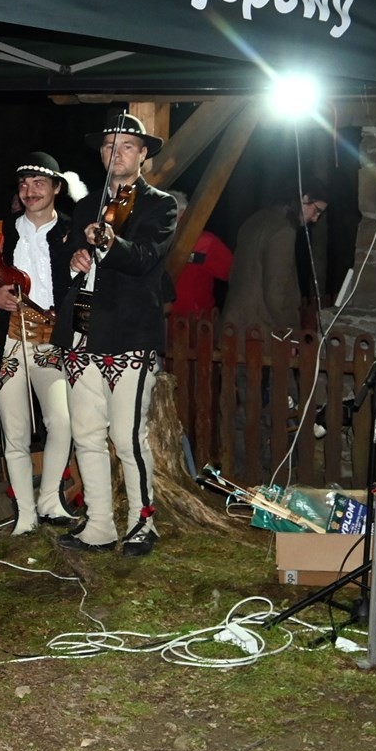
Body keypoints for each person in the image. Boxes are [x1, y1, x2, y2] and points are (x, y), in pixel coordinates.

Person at [58, 112, 179, 556]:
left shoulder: (161, 205)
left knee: (128, 437)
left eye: (127, 146)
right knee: (86, 434)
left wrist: (109, 242)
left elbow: (145, 258)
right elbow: (73, 259)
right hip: (83, 331)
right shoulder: (87, 205)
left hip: (130, 334)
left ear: (143, 154)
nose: (117, 153)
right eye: (110, 146)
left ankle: (143, 524)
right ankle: (99, 524)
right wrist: (75, 260)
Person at [0, 153, 86, 535]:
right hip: (7, 342)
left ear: (56, 188)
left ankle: (50, 501)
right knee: (14, 432)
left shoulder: (74, 231)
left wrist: (81, 333)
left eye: (39, 183)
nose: (30, 191)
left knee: (62, 421)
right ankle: (25, 514)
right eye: (23, 184)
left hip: (52, 342)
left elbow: (87, 290)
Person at [223, 192, 325, 338]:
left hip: (233, 325)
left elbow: (233, 274)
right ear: (305, 198)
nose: (315, 218)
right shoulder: (283, 231)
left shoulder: (256, 219)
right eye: (317, 210)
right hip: (260, 333)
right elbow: (276, 293)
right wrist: (291, 333)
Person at [167, 190, 232, 322]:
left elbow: (231, 272)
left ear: (183, 214)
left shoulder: (205, 243)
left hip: (194, 323)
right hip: (159, 322)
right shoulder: (149, 242)